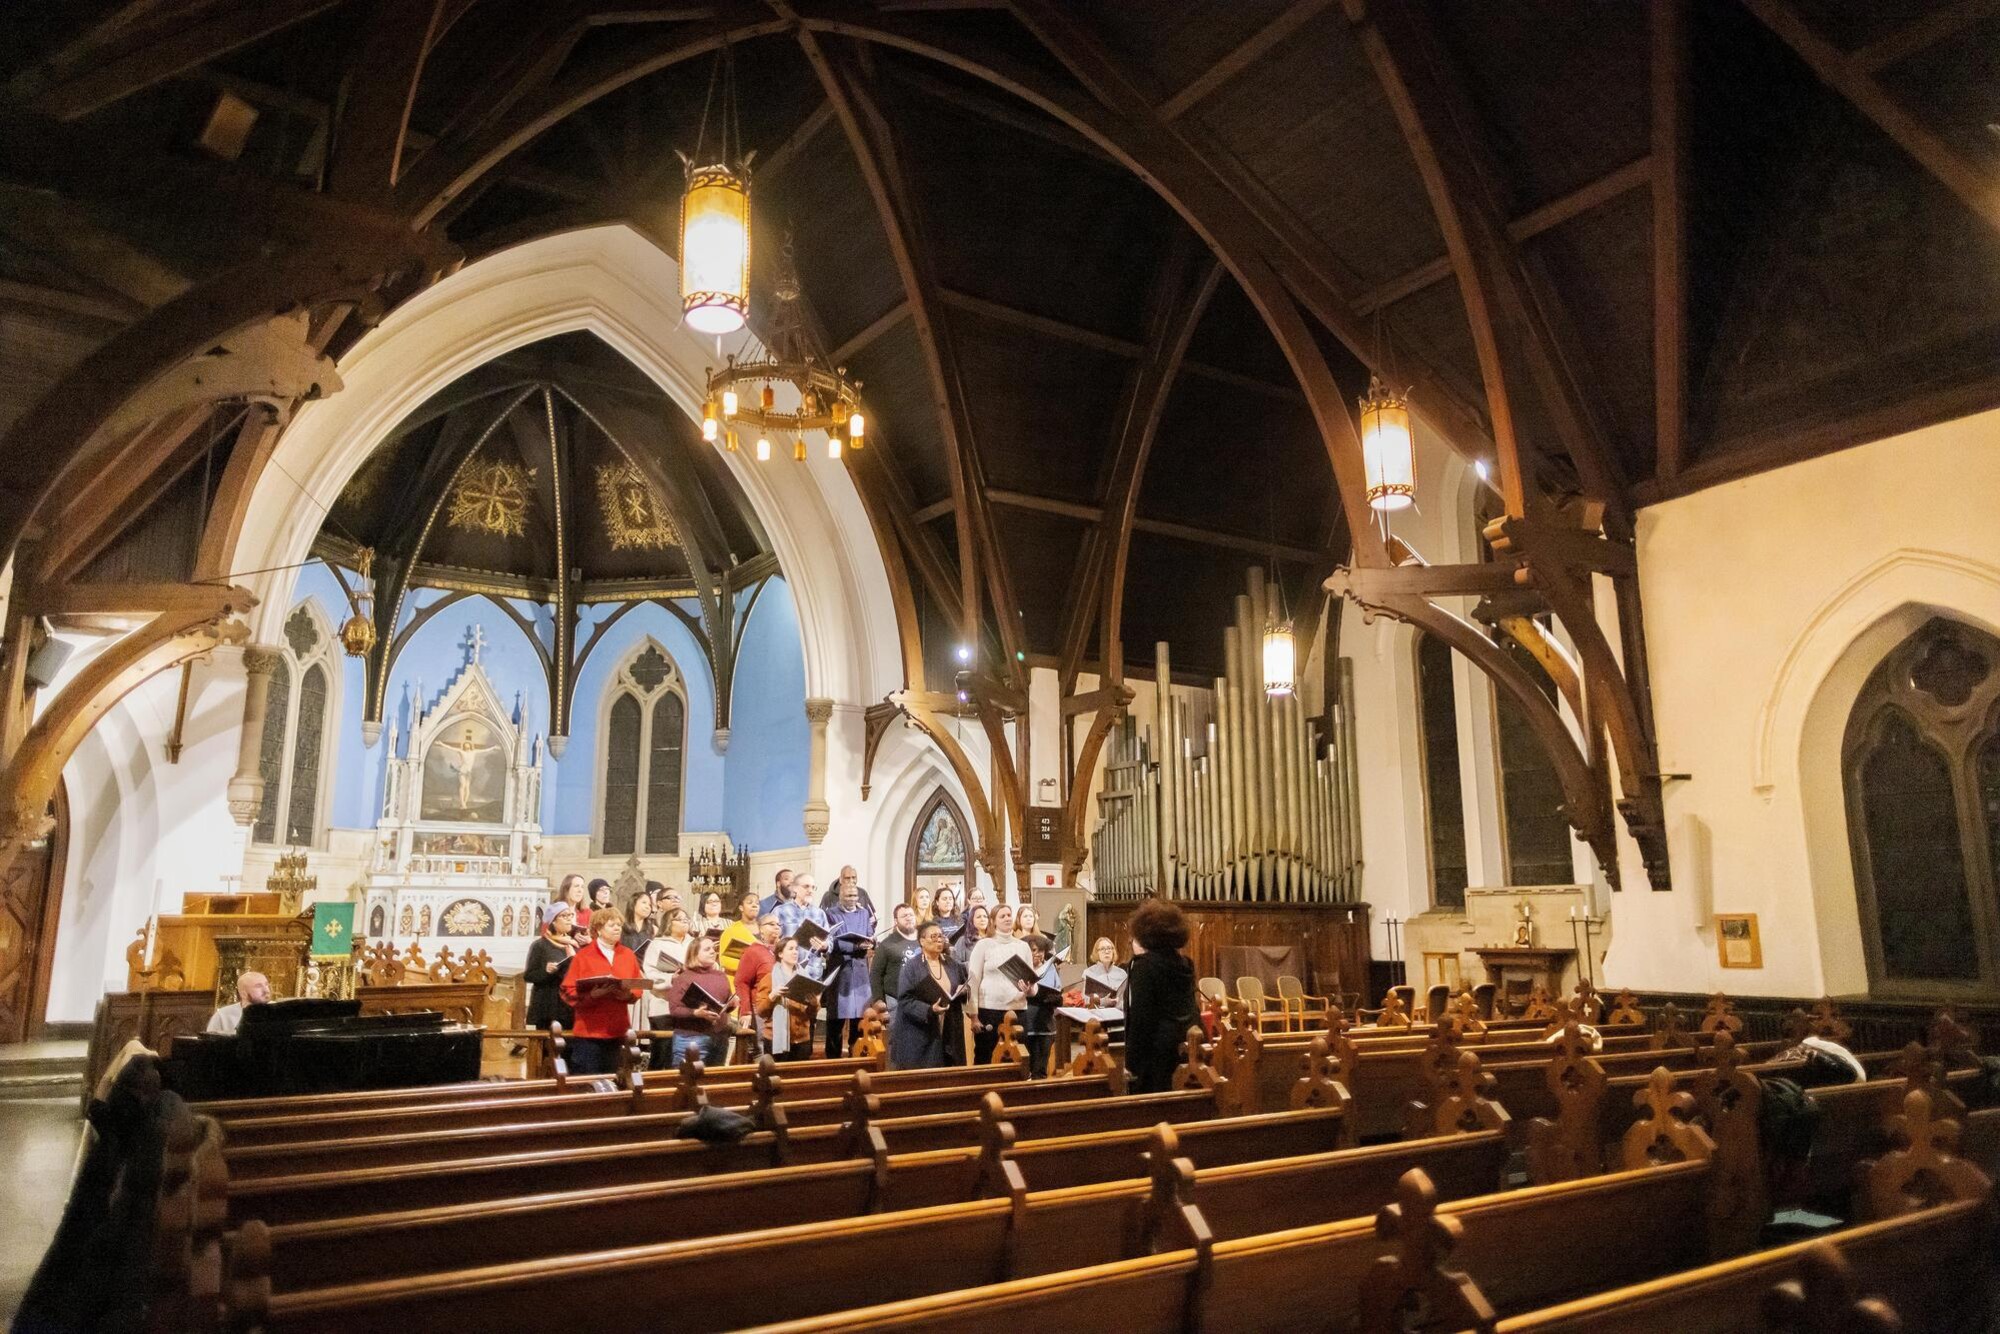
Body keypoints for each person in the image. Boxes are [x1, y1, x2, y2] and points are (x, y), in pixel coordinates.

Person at [1123, 899, 1198, 1094]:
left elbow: (1141, 1019)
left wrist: (1131, 1065)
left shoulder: (1144, 966)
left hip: (1156, 1053)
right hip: (1184, 1045)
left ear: (1144, 932)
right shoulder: (1185, 963)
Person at [558, 909, 643, 1075]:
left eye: (619, 925)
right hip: (589, 1031)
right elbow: (566, 990)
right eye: (612, 925)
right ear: (598, 930)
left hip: (618, 1029)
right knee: (587, 1083)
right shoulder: (583, 956)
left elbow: (637, 985)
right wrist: (591, 996)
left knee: (614, 1081)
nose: (617, 928)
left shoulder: (627, 955)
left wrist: (629, 995)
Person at [890, 922, 967, 1069]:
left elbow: (964, 986)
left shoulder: (953, 964)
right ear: (922, 941)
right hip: (920, 1030)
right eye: (934, 936)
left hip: (949, 1026)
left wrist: (963, 990)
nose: (939, 940)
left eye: (941, 936)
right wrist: (930, 1010)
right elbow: (905, 1000)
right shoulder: (912, 967)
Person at [966, 904, 1032, 1065]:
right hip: (989, 1010)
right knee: (986, 1056)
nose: (1007, 918)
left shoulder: (1023, 946)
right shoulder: (984, 945)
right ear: (993, 921)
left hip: (1018, 1010)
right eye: (1002, 916)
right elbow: (972, 981)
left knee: (1017, 1058)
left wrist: (1029, 989)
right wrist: (973, 1016)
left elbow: (1032, 983)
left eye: (1009, 915)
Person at [822, 875, 877, 1057]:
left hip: (860, 971)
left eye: (855, 896)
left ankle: (857, 1058)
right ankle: (833, 1063)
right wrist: (854, 947)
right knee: (836, 1021)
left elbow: (869, 933)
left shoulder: (864, 913)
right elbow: (831, 942)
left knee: (859, 1020)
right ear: (840, 897)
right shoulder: (830, 914)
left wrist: (871, 942)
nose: (852, 899)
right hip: (839, 971)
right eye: (848, 896)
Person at [663, 934, 735, 1067]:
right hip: (691, 1038)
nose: (713, 951)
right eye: (707, 949)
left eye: (713, 948)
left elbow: (726, 1003)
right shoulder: (684, 978)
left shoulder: (720, 976)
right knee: (687, 1079)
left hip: (718, 1037)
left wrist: (732, 1004)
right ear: (694, 954)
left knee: (714, 1080)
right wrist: (696, 1013)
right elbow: (674, 1009)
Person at [638, 907, 695, 1067]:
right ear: (669, 923)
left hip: (689, 1007)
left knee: (684, 1055)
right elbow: (649, 974)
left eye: (686, 919)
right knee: (663, 1054)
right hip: (663, 1007)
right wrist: (671, 978)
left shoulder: (694, 944)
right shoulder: (657, 944)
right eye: (680, 919)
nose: (685, 922)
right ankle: (656, 1088)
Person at [732, 913, 782, 1059]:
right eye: (771, 924)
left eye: (778, 924)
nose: (776, 927)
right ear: (760, 929)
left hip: (778, 1006)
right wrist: (746, 1011)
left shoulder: (780, 952)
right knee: (760, 1049)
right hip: (758, 1006)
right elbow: (741, 982)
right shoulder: (753, 951)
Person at [524, 903, 578, 1032]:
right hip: (548, 1004)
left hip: (570, 1005)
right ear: (553, 921)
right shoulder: (540, 945)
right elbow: (529, 975)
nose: (569, 919)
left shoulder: (574, 944)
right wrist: (546, 971)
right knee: (547, 1049)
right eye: (564, 916)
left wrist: (574, 960)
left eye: (570, 915)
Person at [757, 936, 814, 1060]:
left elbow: (811, 1014)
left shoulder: (805, 978)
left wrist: (814, 1003)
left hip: (801, 1039)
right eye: (790, 949)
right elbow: (761, 1012)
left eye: (796, 949)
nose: (795, 952)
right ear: (780, 954)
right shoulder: (769, 978)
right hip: (776, 1039)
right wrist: (772, 996)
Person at [1019, 934, 1063, 1077]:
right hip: (1025, 1025)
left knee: (1040, 1071)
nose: (1037, 954)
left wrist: (1041, 995)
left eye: (1041, 950)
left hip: (1045, 1027)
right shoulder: (1020, 971)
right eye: (1033, 950)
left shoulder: (1050, 970)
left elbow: (1057, 997)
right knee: (1024, 1072)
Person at [870, 902, 921, 1007]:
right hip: (895, 1001)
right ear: (896, 921)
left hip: (921, 1001)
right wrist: (878, 1000)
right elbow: (875, 974)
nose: (908, 918)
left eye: (911, 915)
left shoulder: (924, 940)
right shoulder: (887, 944)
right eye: (904, 916)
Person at [717, 889, 761, 988]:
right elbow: (724, 960)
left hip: (763, 983)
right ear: (741, 907)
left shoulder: (765, 928)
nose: (755, 905)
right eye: (750, 902)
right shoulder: (731, 931)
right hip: (738, 983)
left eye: (757, 903)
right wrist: (753, 969)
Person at [206, 970, 271, 1034]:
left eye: (266, 985)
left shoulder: (278, 1012)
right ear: (243, 994)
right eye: (258, 986)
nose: (266, 990)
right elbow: (210, 1042)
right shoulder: (223, 1015)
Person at [1081, 936, 1129, 1004]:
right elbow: (1084, 1000)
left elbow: (1127, 998)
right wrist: (1102, 1001)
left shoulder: (1122, 974)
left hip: (1117, 1011)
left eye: (1109, 948)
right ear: (1097, 952)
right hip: (1097, 1011)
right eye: (1102, 949)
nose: (1107, 951)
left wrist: (1119, 1002)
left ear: (1113, 952)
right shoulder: (1089, 972)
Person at [951, 904, 990, 968]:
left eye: (985, 916)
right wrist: (974, 964)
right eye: (978, 917)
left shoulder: (994, 939)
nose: (982, 919)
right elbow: (955, 965)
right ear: (972, 920)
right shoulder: (963, 941)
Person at [622, 891, 657, 956]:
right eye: (644, 902)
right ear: (633, 904)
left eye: (650, 905)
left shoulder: (653, 929)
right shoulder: (621, 926)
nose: (648, 907)